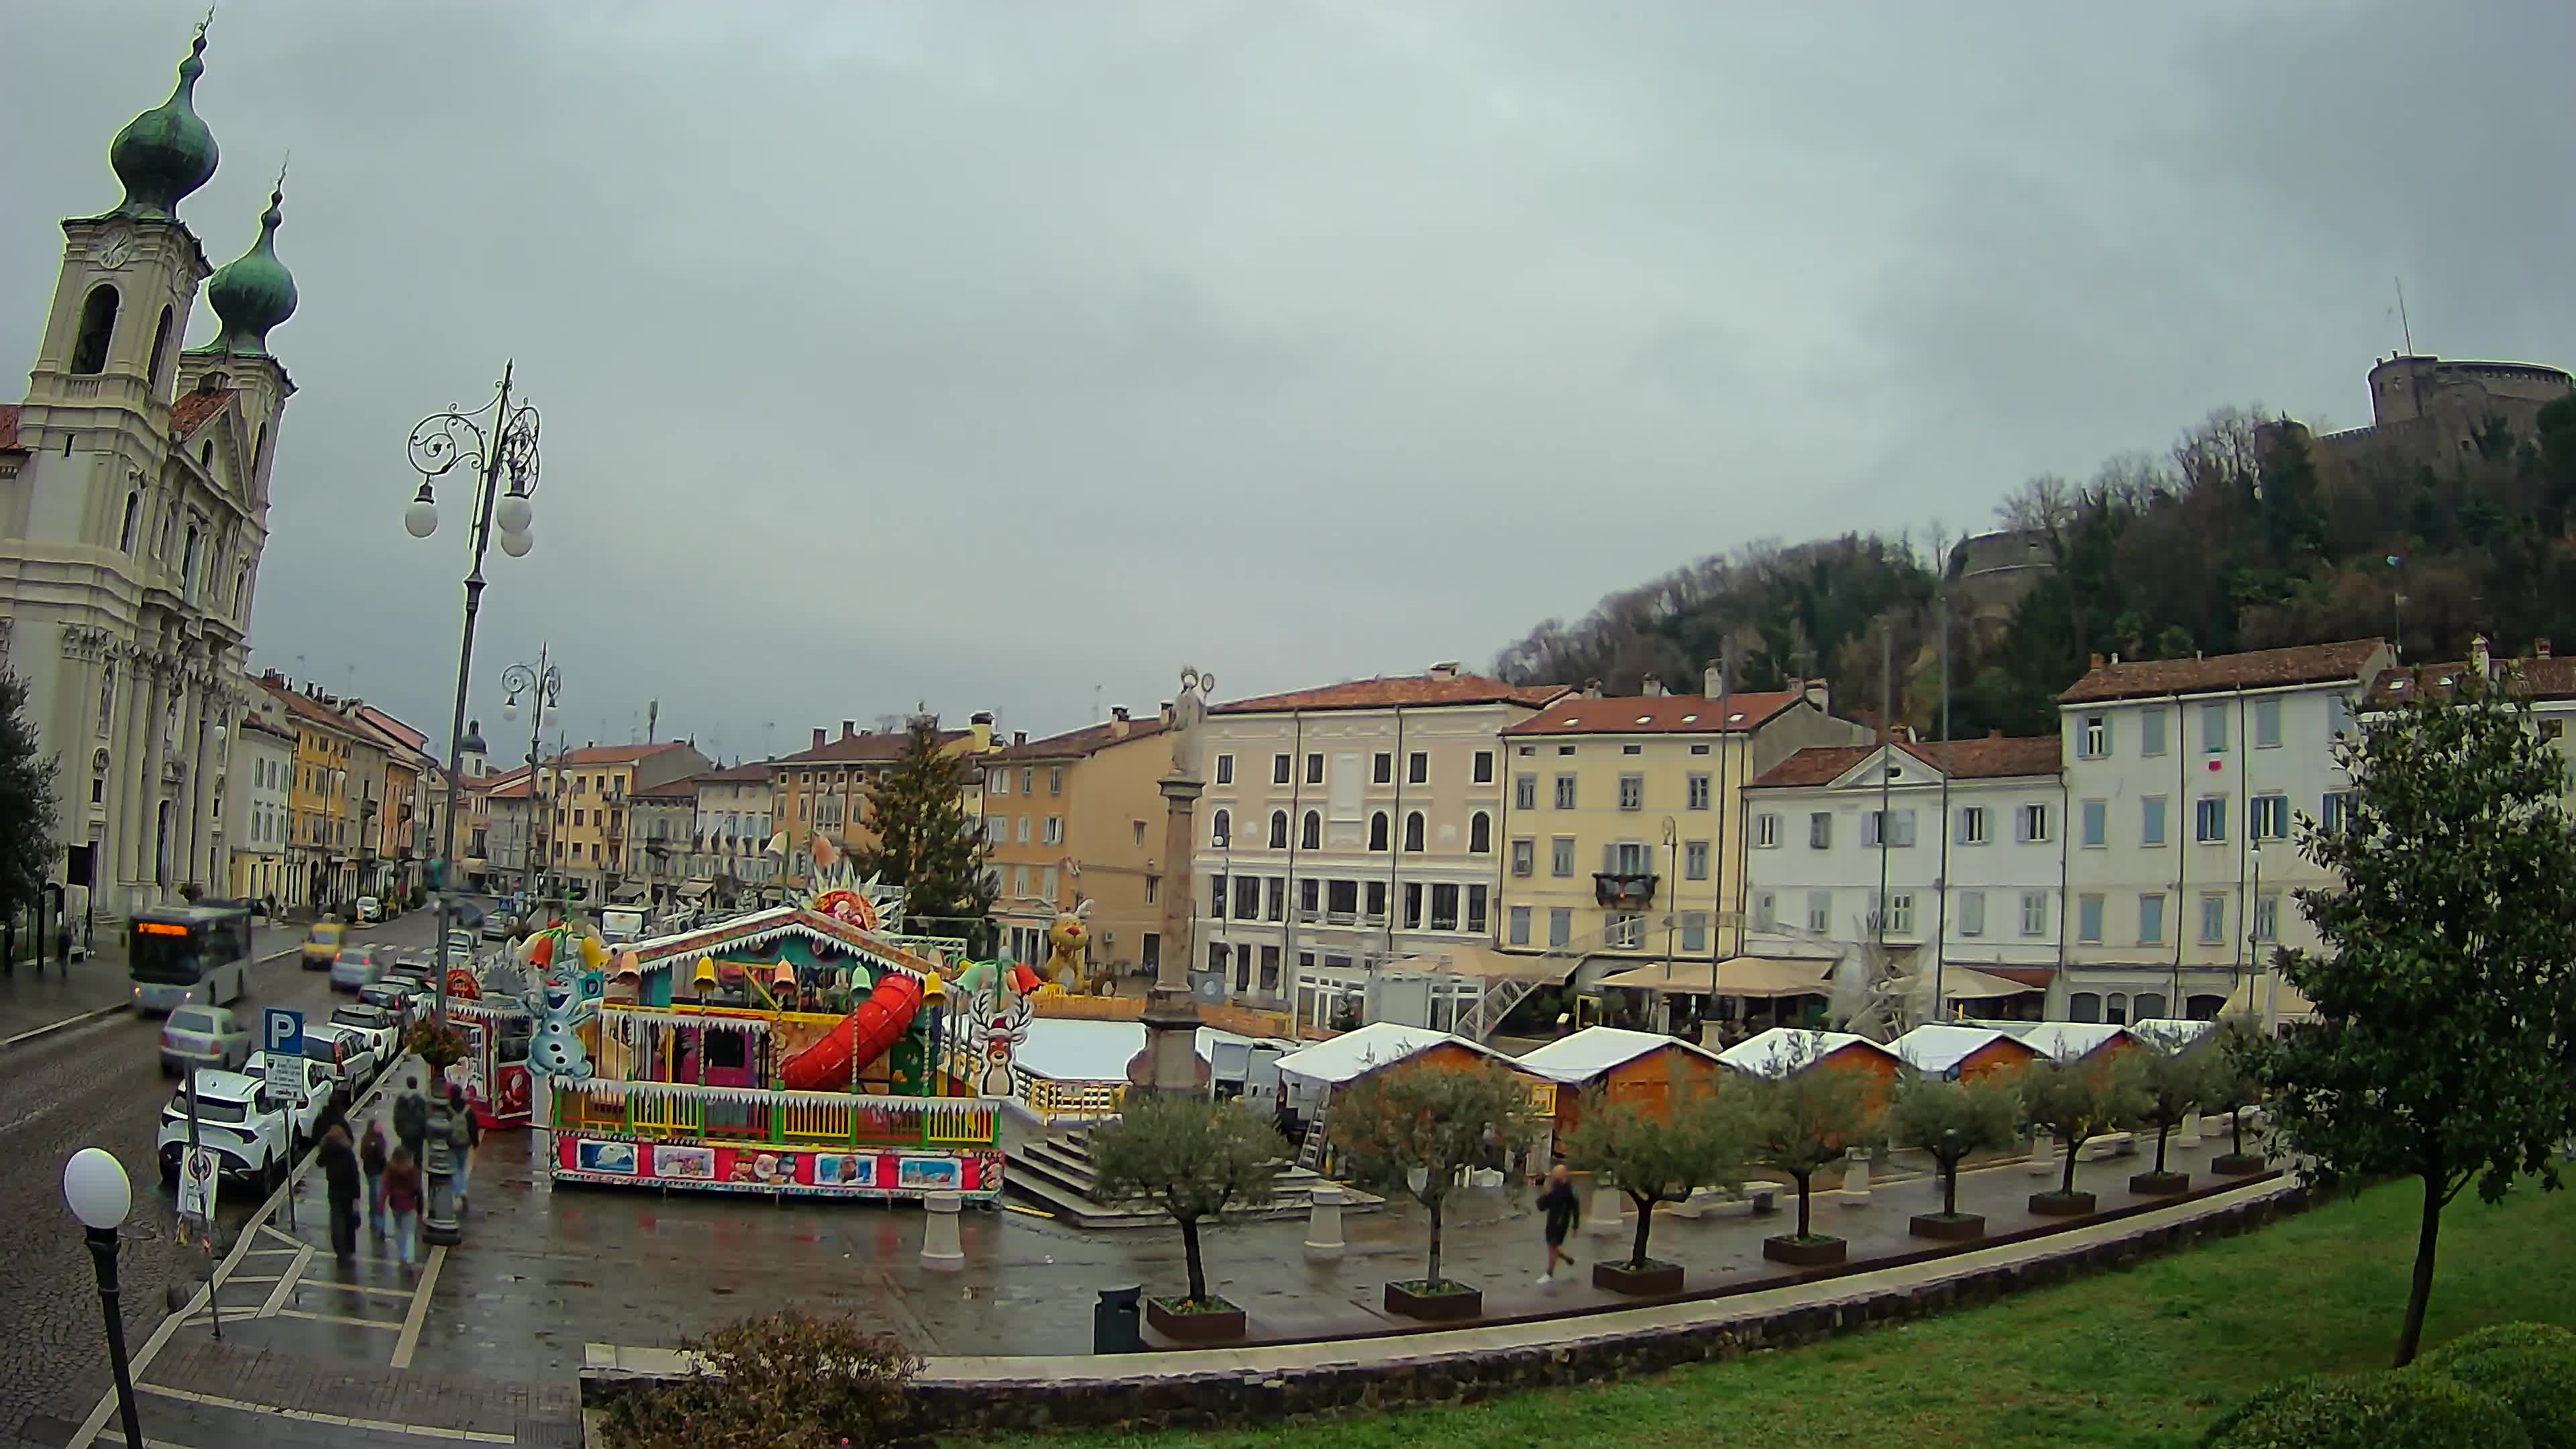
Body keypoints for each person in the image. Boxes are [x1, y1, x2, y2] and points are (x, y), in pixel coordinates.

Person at [317, 1124, 361, 1262]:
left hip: (335, 1191)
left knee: (337, 1223)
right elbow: (355, 1174)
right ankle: (348, 1250)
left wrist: (323, 1148)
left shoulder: (328, 1151)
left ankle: (340, 1251)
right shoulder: (348, 1152)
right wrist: (357, 1195)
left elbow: (319, 1162)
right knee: (349, 1222)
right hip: (348, 1192)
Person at [1535, 1163, 1580, 1287]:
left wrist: (1575, 1226)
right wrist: (1546, 1194)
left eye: (1556, 1173)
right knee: (1552, 1247)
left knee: (1552, 1247)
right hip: (1552, 1221)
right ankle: (1568, 1259)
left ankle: (1549, 1274)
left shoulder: (1567, 1191)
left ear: (1563, 1174)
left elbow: (1575, 1208)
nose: (1554, 1175)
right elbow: (1541, 1206)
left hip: (1561, 1223)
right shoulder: (1554, 1187)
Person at [384, 1145, 423, 1269]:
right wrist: (420, 1208)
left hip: (395, 1204)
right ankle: (409, 1257)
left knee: (399, 1229)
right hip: (409, 1205)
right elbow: (418, 1190)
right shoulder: (412, 1170)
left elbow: (386, 1187)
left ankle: (402, 1255)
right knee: (410, 1232)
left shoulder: (390, 1169)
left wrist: (381, 1205)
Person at [445, 1083, 480, 1210]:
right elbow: (473, 1128)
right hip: (465, 1143)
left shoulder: (448, 1109)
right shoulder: (468, 1110)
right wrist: (475, 1143)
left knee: (454, 1169)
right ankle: (463, 1190)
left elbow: (444, 1127)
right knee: (462, 1168)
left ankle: (457, 1193)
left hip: (452, 1143)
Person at [360, 1119, 390, 1241]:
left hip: (374, 1172)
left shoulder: (374, 1139)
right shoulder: (373, 1140)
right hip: (375, 1172)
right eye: (377, 1125)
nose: (380, 1127)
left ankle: (375, 1222)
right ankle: (379, 1225)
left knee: (375, 1197)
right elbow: (379, 1156)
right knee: (378, 1199)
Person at [392, 1073, 430, 1169]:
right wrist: (425, 1134)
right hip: (418, 1135)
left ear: (407, 1084)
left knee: (406, 1158)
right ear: (416, 1085)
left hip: (405, 1134)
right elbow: (426, 1117)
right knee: (418, 1161)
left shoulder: (401, 1099)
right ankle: (417, 1180)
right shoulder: (421, 1099)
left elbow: (397, 1117)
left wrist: (399, 1131)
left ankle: (406, 1179)